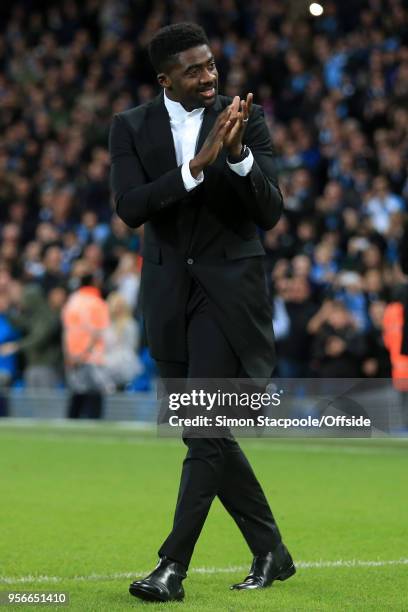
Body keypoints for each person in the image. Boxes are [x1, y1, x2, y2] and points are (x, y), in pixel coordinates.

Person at [109, 22, 295, 603]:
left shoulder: (248, 117)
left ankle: (172, 567)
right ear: (165, 79)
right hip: (169, 300)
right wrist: (195, 167)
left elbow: (270, 213)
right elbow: (130, 208)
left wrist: (237, 158)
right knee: (208, 434)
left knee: (204, 432)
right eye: (194, 69)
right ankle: (271, 550)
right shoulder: (131, 126)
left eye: (211, 64)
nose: (209, 76)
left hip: (226, 299)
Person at [62, 260, 111, 419]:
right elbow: (98, 333)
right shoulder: (97, 303)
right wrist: (84, 354)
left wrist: (70, 355)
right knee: (94, 397)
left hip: (72, 356)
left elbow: (67, 330)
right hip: (92, 357)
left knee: (76, 396)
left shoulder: (72, 301)